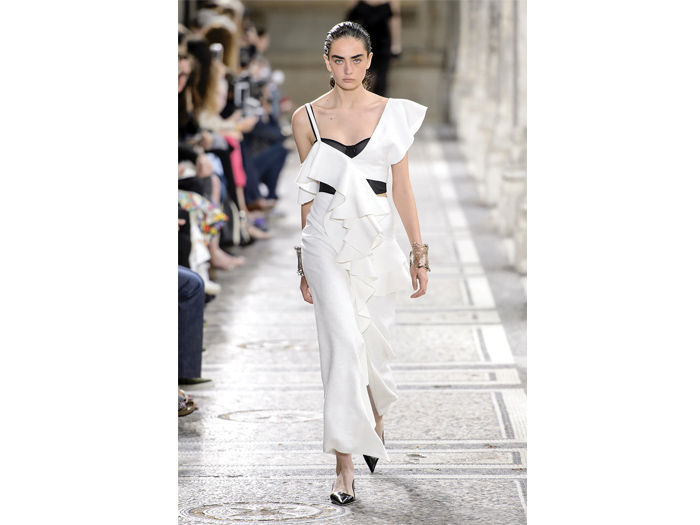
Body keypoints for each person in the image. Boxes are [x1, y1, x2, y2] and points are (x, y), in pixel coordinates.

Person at [291, 21, 429, 506]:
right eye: (338, 59)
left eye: (356, 59)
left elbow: (403, 189)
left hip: (375, 239)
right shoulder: (306, 118)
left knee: (370, 341)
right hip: (324, 238)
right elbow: (307, 193)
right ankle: (343, 465)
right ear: (326, 61)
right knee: (343, 344)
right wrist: (302, 263)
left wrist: (418, 253)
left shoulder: (394, 114)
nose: (347, 69)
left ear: (369, 60)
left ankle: (373, 416)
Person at [346, 0, 402, 96]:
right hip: (363, 42)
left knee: (381, 78)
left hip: (383, 43)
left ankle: (379, 103)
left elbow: (394, 20)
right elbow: (350, 21)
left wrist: (396, 44)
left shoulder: (392, 2)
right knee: (362, 77)